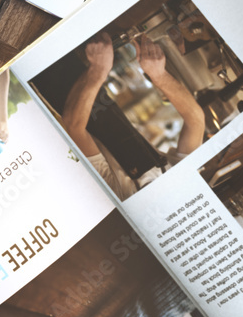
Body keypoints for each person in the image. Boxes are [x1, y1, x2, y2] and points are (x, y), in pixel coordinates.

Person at [60, 31, 207, 200]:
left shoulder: (123, 194)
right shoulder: (180, 181)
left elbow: (73, 127)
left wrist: (98, 70)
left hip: (62, 100)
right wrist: (159, 75)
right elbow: (195, 120)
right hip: (97, 95)